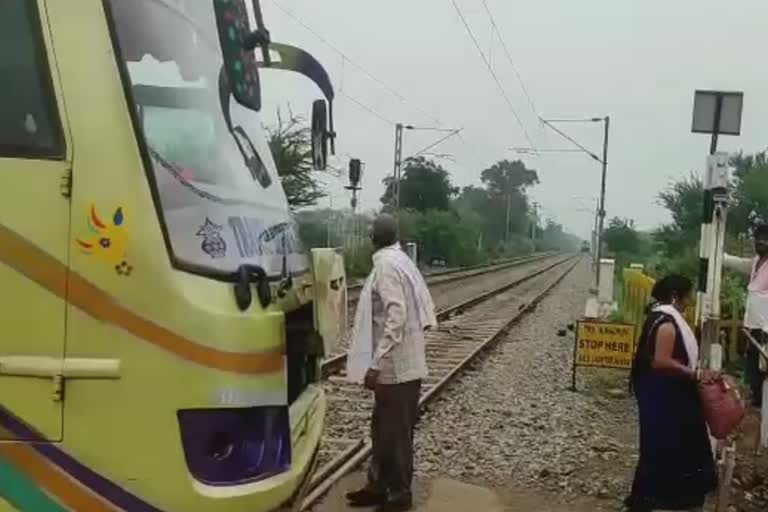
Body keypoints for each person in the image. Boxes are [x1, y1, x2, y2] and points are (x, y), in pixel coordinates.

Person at [345, 214, 436, 512]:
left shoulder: (385, 265)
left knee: (395, 433)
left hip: (395, 367)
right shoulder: (401, 260)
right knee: (382, 429)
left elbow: (395, 315)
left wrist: (376, 362)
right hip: (402, 365)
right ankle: (378, 485)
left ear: (373, 238)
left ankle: (399, 495)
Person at [625, 274, 717, 512]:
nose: (688, 302)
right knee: (669, 443)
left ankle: (652, 497)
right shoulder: (667, 324)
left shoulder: (661, 316)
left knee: (660, 443)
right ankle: (666, 497)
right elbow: (661, 361)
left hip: (661, 391)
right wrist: (693, 373)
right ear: (675, 296)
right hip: (662, 393)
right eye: (686, 296)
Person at [723, 223, 768, 408]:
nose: (760, 242)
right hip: (753, 330)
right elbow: (736, 262)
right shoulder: (755, 263)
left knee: (761, 376)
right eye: (757, 239)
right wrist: (720, 255)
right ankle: (755, 414)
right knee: (753, 377)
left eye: (765, 239)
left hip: (765, 332)